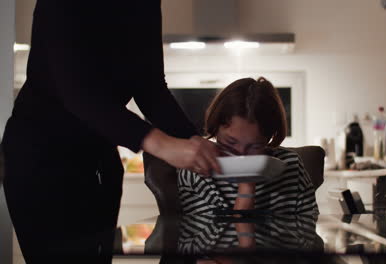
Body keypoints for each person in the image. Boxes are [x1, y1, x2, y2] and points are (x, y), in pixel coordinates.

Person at [1, 1, 220, 262]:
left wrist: (195, 143)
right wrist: (162, 145)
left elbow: (151, 88)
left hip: (100, 161)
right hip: (41, 160)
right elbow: (77, 94)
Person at [178, 77, 319, 215]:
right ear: (215, 128)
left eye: (255, 146)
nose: (241, 156)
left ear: (268, 138)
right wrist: (246, 186)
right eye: (230, 142)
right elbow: (195, 227)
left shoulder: (291, 165)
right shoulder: (197, 167)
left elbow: (308, 219)